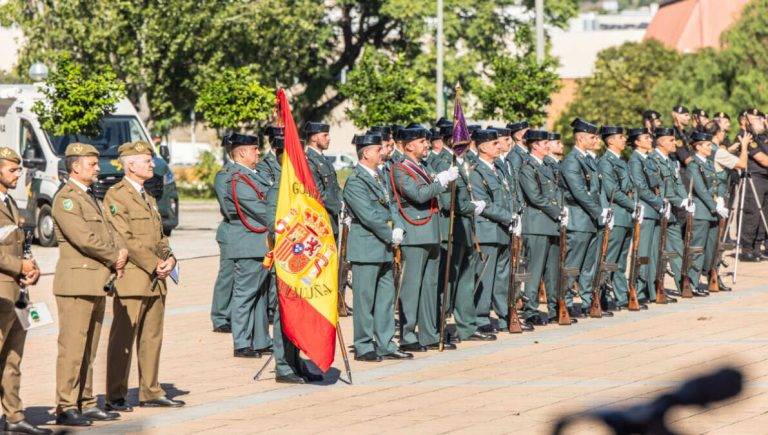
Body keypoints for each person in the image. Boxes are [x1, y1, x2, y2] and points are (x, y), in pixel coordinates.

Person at [104, 141, 184, 411]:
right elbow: (124, 237)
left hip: (156, 278)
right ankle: (116, 394)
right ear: (130, 165)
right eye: (146, 160)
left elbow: (159, 235)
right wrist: (154, 263)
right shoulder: (116, 196)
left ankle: (151, 391)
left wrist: (170, 257)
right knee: (123, 339)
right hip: (133, 278)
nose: (152, 164)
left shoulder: (147, 196)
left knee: (152, 338)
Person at [52, 143, 127, 426]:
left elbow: (109, 231)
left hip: (95, 282)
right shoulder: (66, 199)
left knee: (89, 349)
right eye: (92, 164)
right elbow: (83, 237)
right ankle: (66, 405)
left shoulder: (89, 196)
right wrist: (114, 255)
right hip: (76, 284)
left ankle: (85, 401)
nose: (98, 169)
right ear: (76, 167)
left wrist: (120, 251)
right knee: (72, 348)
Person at [343, 134, 412, 361]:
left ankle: (385, 343)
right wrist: (390, 233)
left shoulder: (379, 176)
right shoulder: (355, 181)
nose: (383, 152)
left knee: (385, 298)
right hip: (367, 248)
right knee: (364, 300)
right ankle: (363, 346)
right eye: (378, 149)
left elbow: (392, 205)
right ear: (366, 153)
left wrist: (399, 227)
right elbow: (368, 215)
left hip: (383, 247)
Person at [390, 127, 458, 351]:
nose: (426, 145)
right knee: (412, 288)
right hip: (415, 231)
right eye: (421, 142)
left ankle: (429, 334)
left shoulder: (423, 166)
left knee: (430, 287)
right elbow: (418, 194)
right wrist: (441, 182)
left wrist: (441, 179)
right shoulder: (400, 169)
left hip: (430, 231)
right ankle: (408, 336)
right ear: (409, 145)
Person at [0, 147, 48, 434]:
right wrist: (21, 266)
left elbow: (22, 246)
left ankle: (14, 417)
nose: (18, 174)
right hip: (1, 294)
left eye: (18, 169)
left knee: (13, 358)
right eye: (12, 170)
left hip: (18, 294)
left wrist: (34, 268)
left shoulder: (11, 203)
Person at [221, 133, 272, 358]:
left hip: (260, 243)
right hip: (248, 242)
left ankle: (260, 339)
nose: (258, 152)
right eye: (254, 149)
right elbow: (258, 208)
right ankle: (241, 342)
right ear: (242, 152)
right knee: (244, 294)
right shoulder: (237, 178)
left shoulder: (253, 174)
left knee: (260, 295)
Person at [561, 118, 613, 317]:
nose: (596, 140)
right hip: (578, 219)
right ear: (581, 138)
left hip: (590, 220)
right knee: (573, 265)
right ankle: (564, 303)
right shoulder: (572, 161)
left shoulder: (588, 159)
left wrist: (604, 210)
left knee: (589, 266)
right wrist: (599, 211)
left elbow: (596, 190)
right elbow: (579, 192)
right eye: (592, 137)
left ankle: (586, 302)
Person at [519, 130, 569, 325]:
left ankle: (555, 307)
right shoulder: (527, 167)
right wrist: (557, 212)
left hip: (552, 224)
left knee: (552, 270)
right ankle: (530, 309)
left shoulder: (548, 165)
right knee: (535, 269)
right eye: (544, 143)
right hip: (537, 224)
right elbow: (535, 197)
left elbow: (558, 190)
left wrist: (562, 210)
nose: (548, 146)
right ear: (534, 146)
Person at [469, 129, 516, 332]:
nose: (500, 146)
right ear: (483, 147)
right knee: (485, 278)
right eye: (495, 144)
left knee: (502, 278)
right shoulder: (476, 171)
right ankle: (481, 318)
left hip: (503, 230)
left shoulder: (499, 168)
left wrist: (515, 215)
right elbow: (484, 203)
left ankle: (505, 315)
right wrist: (509, 217)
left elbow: (508, 195)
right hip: (487, 231)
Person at [648, 127, 695, 297]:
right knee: (656, 253)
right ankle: (654, 290)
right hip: (659, 211)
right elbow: (660, 188)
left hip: (672, 212)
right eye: (671, 140)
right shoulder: (652, 160)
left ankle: (684, 284)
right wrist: (679, 201)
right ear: (660, 141)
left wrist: (686, 200)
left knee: (677, 249)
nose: (674, 143)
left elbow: (679, 185)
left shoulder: (670, 161)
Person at [597, 126, 638, 310]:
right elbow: (612, 190)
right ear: (610, 140)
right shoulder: (606, 162)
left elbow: (631, 188)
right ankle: (601, 296)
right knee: (610, 259)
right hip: (618, 214)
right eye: (621, 137)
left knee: (621, 261)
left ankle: (621, 296)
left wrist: (635, 206)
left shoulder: (621, 161)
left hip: (627, 216)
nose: (624, 140)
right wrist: (632, 205)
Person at [627, 128, 667, 304]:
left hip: (655, 211)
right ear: (637, 142)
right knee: (642, 253)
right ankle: (638, 289)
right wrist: (659, 203)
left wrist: (662, 202)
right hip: (646, 210)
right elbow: (641, 188)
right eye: (646, 137)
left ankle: (651, 290)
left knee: (653, 253)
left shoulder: (648, 160)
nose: (650, 140)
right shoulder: (635, 161)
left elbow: (658, 183)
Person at [686, 132, 730, 290]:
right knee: (698, 248)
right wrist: (714, 205)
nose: (710, 147)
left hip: (713, 211)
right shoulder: (693, 165)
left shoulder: (710, 163)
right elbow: (701, 189)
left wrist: (721, 198)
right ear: (697, 147)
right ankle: (692, 282)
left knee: (713, 248)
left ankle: (712, 277)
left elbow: (720, 181)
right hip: (702, 211)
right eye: (707, 145)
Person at [210, 135, 236, 333]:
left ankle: (234, 314)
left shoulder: (254, 172)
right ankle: (220, 317)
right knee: (227, 276)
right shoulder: (224, 175)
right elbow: (229, 208)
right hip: (231, 231)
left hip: (246, 232)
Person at [737, 109, 768, 262]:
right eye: (757, 119)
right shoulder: (746, 137)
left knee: (764, 216)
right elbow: (762, 159)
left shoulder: (763, 137)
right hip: (754, 178)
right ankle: (747, 248)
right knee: (752, 214)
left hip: (765, 178)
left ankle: (757, 247)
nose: (761, 121)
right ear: (746, 121)